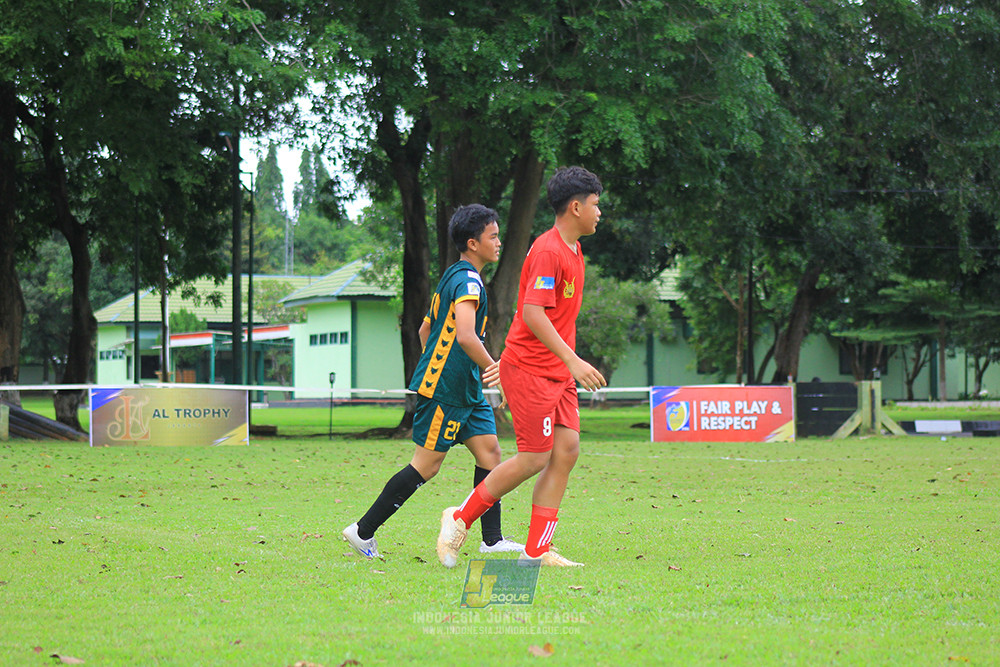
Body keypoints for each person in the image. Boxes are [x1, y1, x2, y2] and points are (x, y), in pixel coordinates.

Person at [436, 166, 607, 568]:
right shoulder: (548, 251)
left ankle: (536, 551)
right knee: (534, 457)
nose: (599, 212)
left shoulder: (573, 249)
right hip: (531, 369)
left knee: (566, 451)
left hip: (556, 372)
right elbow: (532, 313)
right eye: (595, 205)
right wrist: (573, 360)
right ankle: (459, 518)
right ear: (576, 207)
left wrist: (566, 363)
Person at [343, 204, 523, 559]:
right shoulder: (468, 282)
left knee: (490, 453)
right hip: (446, 391)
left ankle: (492, 539)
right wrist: (495, 370)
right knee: (426, 466)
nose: (499, 242)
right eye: (493, 236)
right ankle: (362, 531)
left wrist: (444, 365)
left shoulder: (453, 275)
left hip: (466, 390)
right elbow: (466, 336)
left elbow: (426, 330)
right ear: (473, 243)